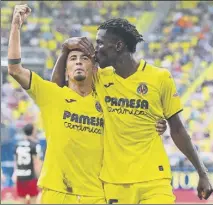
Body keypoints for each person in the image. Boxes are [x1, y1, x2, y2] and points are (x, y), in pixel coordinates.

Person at [7, 5, 167, 204]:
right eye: (73, 59)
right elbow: (14, 69)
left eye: (85, 58)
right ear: (66, 68)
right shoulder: (52, 95)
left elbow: (135, 109)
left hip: (96, 196)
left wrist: (157, 122)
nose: (79, 62)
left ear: (95, 68)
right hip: (57, 193)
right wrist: (15, 25)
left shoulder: (108, 101)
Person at [52, 18, 213, 204]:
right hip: (114, 180)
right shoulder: (99, 78)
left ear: (118, 46)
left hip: (154, 178)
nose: (95, 50)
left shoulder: (159, 78)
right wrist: (65, 50)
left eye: (100, 43)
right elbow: (56, 92)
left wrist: (202, 172)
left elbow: (177, 129)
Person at [13, 124, 42, 204]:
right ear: (33, 132)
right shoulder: (35, 145)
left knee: (22, 202)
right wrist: (39, 179)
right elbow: (37, 163)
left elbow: (15, 162)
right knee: (33, 201)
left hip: (20, 177)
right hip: (31, 177)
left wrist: (15, 175)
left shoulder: (17, 145)